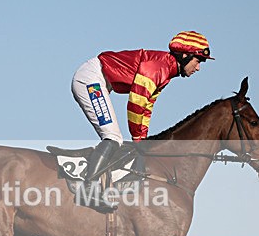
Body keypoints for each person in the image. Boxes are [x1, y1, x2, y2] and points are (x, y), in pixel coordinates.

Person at [70, 31, 214, 212]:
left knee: (115, 138)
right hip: (91, 79)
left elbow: (147, 107)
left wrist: (142, 139)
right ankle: (88, 188)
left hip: (100, 80)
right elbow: (136, 103)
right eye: (198, 60)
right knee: (113, 138)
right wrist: (138, 140)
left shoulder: (166, 71)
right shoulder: (158, 67)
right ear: (185, 55)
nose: (198, 68)